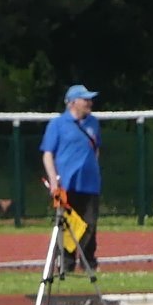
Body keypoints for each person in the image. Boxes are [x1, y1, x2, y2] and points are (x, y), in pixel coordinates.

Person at [40, 84, 101, 275]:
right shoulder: (57, 124)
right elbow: (48, 153)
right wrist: (54, 181)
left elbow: (96, 149)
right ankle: (66, 263)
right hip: (65, 184)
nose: (89, 103)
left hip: (90, 183)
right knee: (65, 224)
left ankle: (88, 262)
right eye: (85, 100)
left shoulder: (94, 123)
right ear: (73, 102)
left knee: (89, 223)